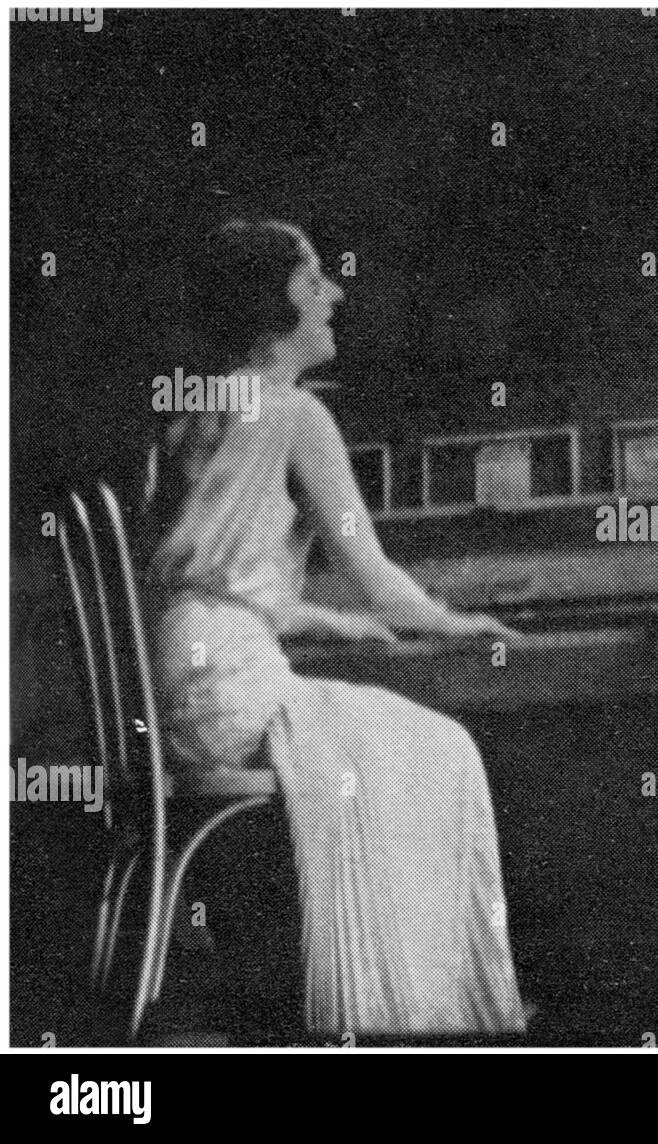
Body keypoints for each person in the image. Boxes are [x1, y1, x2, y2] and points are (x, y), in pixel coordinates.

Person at [144, 218, 526, 1038]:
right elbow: (377, 576)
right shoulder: (296, 416)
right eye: (315, 277)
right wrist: (451, 621)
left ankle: (397, 1005)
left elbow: (208, 575)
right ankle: (414, 1014)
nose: (336, 291)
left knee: (397, 743)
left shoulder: (201, 405)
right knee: (445, 751)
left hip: (182, 682)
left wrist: (321, 619)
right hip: (235, 691)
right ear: (275, 299)